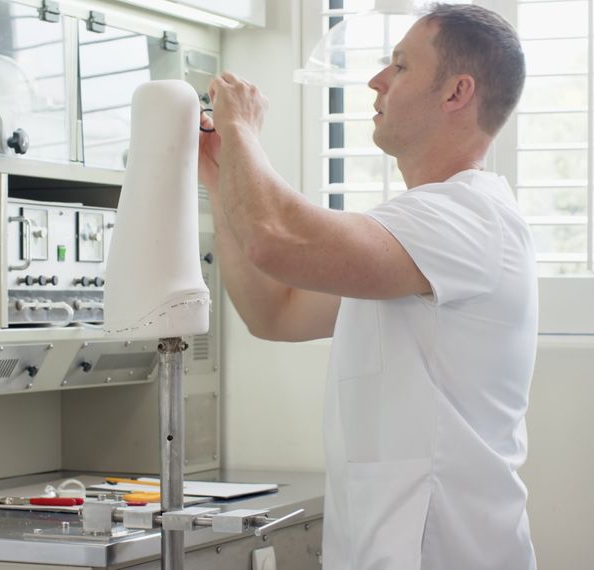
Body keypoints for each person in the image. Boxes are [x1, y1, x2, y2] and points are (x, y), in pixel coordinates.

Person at [197, 3, 535, 569]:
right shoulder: (416, 234)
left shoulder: (467, 217)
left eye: (399, 66)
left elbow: (274, 238)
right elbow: (274, 311)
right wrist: (218, 175)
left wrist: (241, 129)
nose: (377, 80)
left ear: (457, 92)